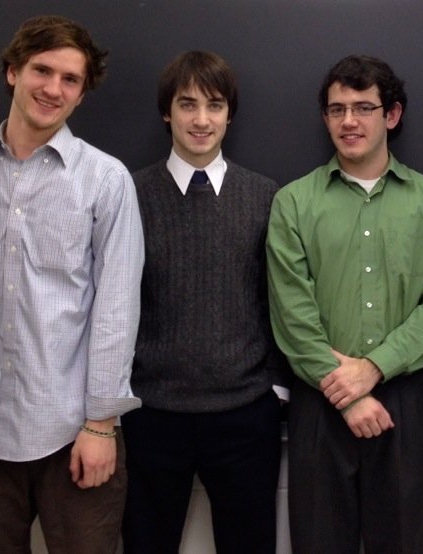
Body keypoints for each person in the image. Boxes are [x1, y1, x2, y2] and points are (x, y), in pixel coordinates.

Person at [0, 15, 144, 553]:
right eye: (42, 71)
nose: (53, 88)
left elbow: (117, 307)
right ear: (13, 72)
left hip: (72, 434)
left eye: (70, 79)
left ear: (81, 94)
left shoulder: (106, 180)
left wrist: (101, 424)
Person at [266, 54, 423, 553]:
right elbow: (291, 313)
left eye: (363, 108)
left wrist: (373, 369)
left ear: (391, 115)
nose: (349, 121)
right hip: (320, 401)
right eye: (337, 110)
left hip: (405, 401)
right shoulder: (294, 202)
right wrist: (349, 393)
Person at [122, 50, 286, 554]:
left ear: (229, 115)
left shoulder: (265, 196)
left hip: (244, 414)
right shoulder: (128, 194)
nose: (201, 119)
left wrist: (276, 391)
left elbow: (281, 299)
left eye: (214, 105)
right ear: (166, 112)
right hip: (151, 413)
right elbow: (111, 302)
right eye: (187, 104)